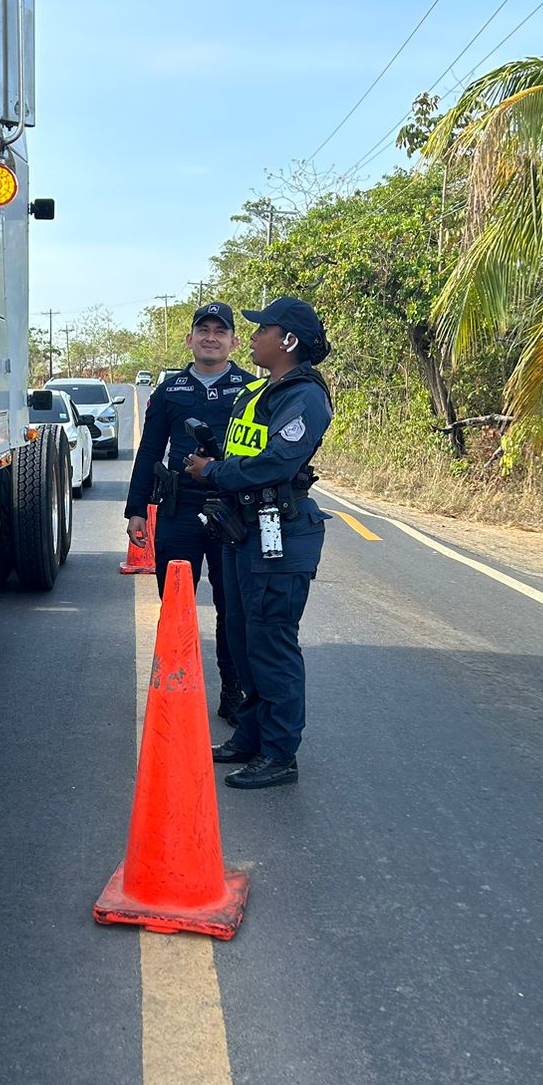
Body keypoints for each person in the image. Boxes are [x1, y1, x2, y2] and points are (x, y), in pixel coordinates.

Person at [184, 296, 333, 789]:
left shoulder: (305, 396)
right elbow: (246, 447)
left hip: (279, 536)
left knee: (271, 645)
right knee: (244, 641)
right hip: (243, 530)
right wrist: (214, 457)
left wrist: (216, 472)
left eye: (261, 329)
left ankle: (279, 754)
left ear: (287, 340)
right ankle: (249, 736)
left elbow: (277, 462)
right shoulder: (261, 391)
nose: (251, 337)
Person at [124, 302, 256, 723]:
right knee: (176, 601)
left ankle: (233, 691)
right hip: (180, 510)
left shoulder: (250, 389)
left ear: (234, 341)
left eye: (221, 331)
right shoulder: (171, 391)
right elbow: (149, 452)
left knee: (231, 607)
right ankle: (179, 682)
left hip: (232, 514)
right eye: (204, 330)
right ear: (190, 339)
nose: (211, 337)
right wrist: (137, 510)